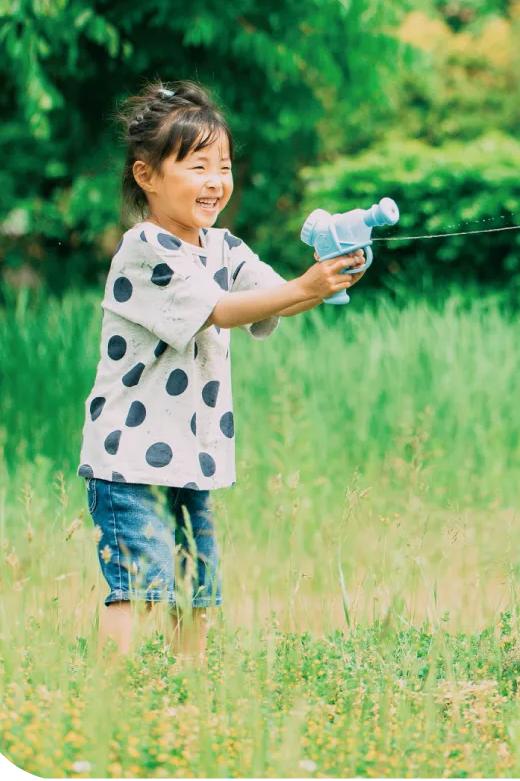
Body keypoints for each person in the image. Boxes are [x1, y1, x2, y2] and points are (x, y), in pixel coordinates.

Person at [77, 80, 364, 662]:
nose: (215, 181)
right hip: (129, 454)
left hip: (191, 453)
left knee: (197, 583)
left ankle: (188, 692)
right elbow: (222, 312)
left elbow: (276, 297)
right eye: (197, 166)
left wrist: (326, 277)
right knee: (140, 582)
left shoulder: (224, 247)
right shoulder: (145, 248)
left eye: (224, 166)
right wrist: (307, 286)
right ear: (146, 176)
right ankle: (109, 697)